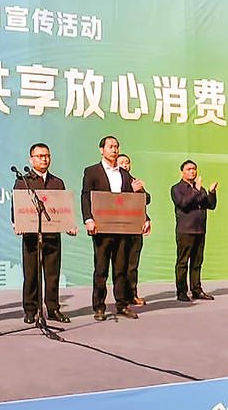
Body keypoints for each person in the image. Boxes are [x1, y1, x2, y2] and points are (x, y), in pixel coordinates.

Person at [81, 136, 145, 321]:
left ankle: (122, 305)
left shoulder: (125, 174)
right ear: (102, 150)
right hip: (101, 227)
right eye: (110, 146)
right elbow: (86, 196)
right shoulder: (92, 171)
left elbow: (136, 200)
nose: (114, 150)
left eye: (116, 147)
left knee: (121, 269)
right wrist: (88, 219)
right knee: (101, 269)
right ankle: (99, 307)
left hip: (123, 228)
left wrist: (144, 215)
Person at [13, 143, 76, 325]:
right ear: (31, 159)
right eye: (40, 156)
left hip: (52, 236)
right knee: (31, 275)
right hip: (31, 236)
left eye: (47, 155)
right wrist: (17, 223)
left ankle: (53, 308)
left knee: (52, 275)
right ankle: (30, 310)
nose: (44, 159)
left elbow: (64, 208)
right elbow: (16, 206)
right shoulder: (23, 182)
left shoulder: (57, 182)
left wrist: (69, 225)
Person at [171, 160, 218, 302]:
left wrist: (211, 193)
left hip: (200, 230)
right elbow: (184, 204)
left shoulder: (200, 189)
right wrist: (196, 191)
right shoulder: (177, 188)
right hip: (185, 231)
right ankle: (181, 292)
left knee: (197, 262)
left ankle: (196, 290)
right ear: (182, 173)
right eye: (189, 169)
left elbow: (210, 205)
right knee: (183, 262)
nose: (192, 171)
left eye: (194, 169)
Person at [116, 154, 151, 306]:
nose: (125, 164)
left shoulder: (133, 180)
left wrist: (146, 219)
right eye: (122, 162)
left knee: (133, 265)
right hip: (121, 228)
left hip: (136, 227)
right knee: (121, 264)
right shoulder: (114, 181)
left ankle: (132, 294)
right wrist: (131, 190)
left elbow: (146, 200)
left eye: (127, 162)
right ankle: (121, 297)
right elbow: (115, 201)